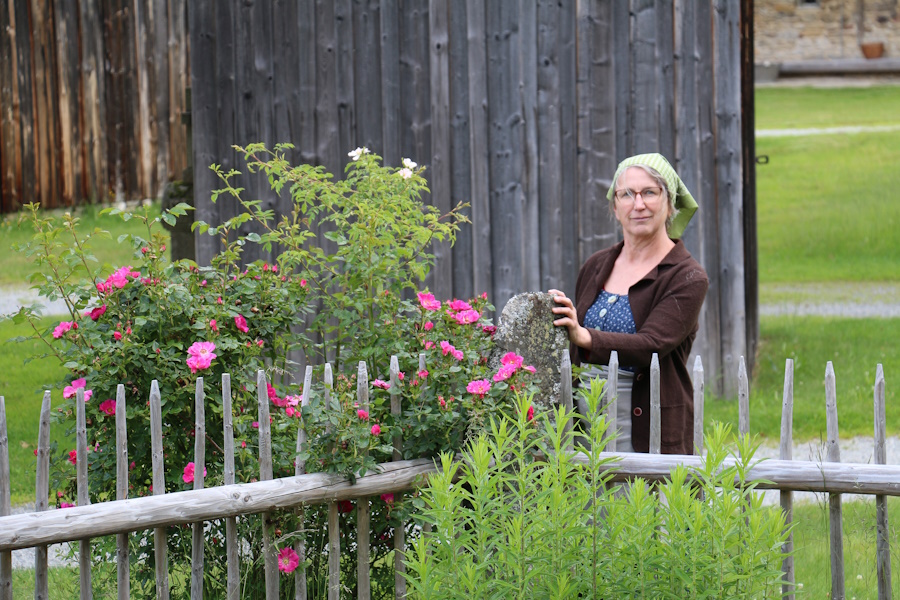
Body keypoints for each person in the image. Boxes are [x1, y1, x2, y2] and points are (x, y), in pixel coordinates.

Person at [550, 153, 708, 455]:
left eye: (649, 192)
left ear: (670, 203)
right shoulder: (596, 265)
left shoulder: (686, 276)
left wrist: (584, 336)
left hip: (645, 424)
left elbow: (653, 344)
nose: (638, 204)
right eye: (627, 194)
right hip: (582, 420)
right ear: (615, 206)